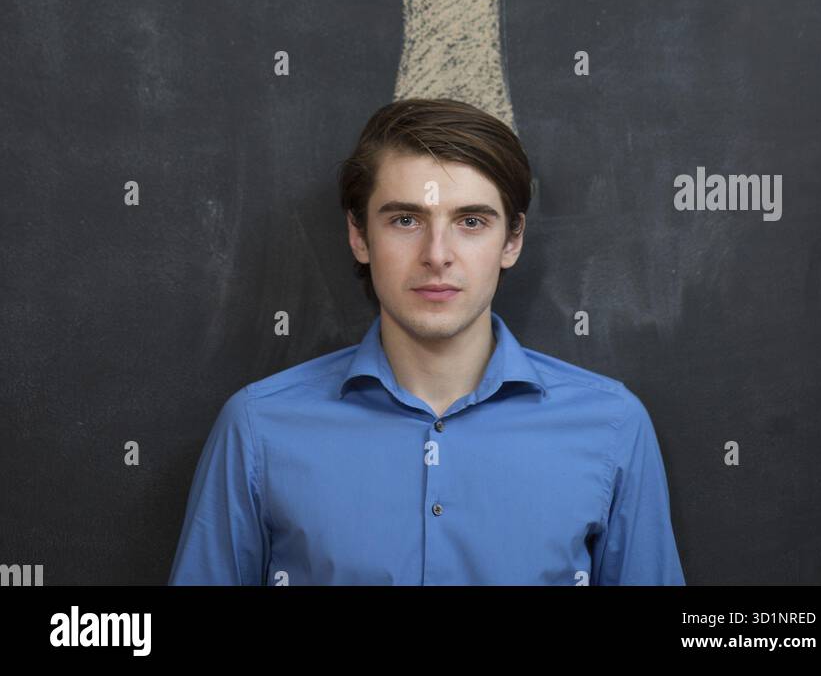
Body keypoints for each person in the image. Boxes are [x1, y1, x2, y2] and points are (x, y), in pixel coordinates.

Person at [168, 97, 685, 585]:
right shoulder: (258, 429)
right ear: (358, 235)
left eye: (471, 221)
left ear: (512, 240)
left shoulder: (614, 427)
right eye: (406, 219)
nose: (437, 255)